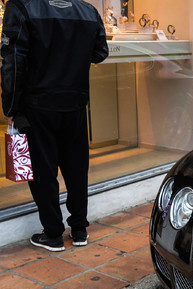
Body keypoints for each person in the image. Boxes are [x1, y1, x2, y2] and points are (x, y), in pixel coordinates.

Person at [1, 0, 108, 252]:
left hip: (38, 104)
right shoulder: (89, 11)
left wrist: (10, 107)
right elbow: (100, 53)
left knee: (43, 170)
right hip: (75, 103)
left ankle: (53, 234)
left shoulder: (22, 6)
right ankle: (80, 229)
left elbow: (14, 61)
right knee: (76, 167)